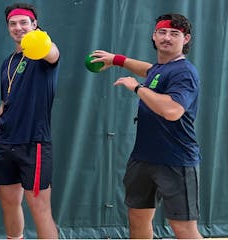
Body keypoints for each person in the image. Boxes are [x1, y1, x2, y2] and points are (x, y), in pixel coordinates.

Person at [90, 13, 202, 239]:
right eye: (162, 32)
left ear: (186, 39)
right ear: (154, 35)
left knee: (183, 229)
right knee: (138, 221)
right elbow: (149, 70)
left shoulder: (185, 72)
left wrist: (137, 89)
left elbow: (172, 111)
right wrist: (117, 60)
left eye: (175, 34)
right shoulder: (161, 69)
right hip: (143, 159)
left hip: (176, 161)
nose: (167, 38)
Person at [0, 3, 60, 239]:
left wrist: (40, 41)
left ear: (34, 24)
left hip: (33, 143)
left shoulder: (43, 54)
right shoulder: (7, 62)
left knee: (40, 209)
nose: (18, 28)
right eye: (13, 24)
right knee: (9, 203)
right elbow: (6, 103)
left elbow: (52, 52)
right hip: (5, 143)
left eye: (24, 22)